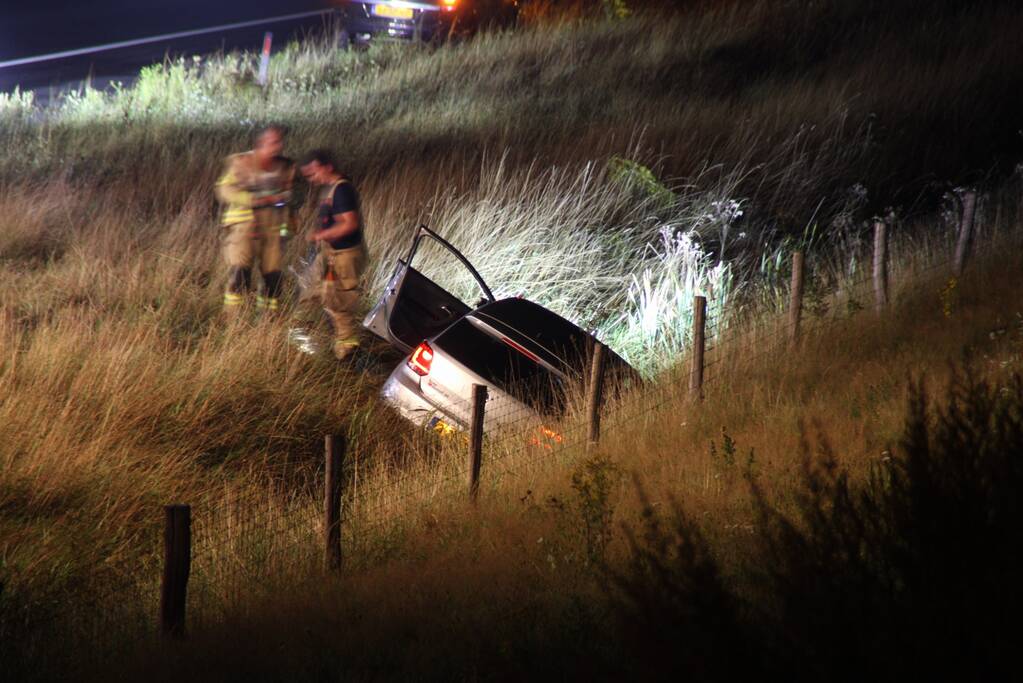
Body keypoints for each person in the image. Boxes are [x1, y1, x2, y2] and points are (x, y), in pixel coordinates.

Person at [215, 125, 295, 314]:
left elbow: (290, 196)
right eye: (273, 142)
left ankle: (268, 318)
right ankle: (234, 320)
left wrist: (288, 221)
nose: (278, 146)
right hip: (244, 227)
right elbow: (224, 189)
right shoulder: (241, 162)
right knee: (239, 274)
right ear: (261, 143)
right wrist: (253, 200)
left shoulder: (285, 166)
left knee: (273, 276)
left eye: (280, 142)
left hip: (273, 229)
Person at [299, 149, 368, 360]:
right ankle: (304, 340)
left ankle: (347, 356)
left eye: (314, 172)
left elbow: (349, 224)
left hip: (344, 256)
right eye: (308, 175)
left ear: (328, 166)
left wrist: (321, 234)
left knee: (339, 306)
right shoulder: (329, 189)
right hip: (329, 254)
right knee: (310, 289)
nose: (312, 179)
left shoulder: (342, 189)